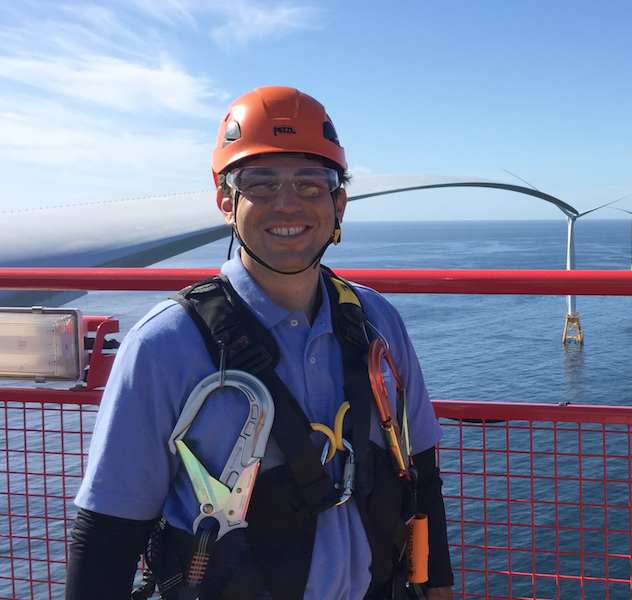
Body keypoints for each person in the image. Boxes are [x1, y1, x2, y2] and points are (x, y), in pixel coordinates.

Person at [66, 86, 453, 600]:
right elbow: (108, 535)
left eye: (312, 185)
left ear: (340, 202)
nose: (288, 204)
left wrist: (438, 590)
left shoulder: (377, 321)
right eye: (261, 184)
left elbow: (422, 476)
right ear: (227, 201)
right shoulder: (165, 344)